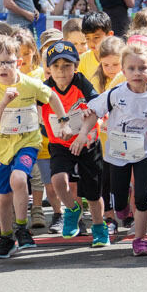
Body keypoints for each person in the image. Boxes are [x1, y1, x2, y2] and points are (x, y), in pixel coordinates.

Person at [75, 44, 147, 256]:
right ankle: (122, 210)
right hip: (117, 154)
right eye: (131, 68)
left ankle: (140, 239)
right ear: (123, 71)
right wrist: (82, 135)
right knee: (120, 196)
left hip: (144, 152)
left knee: (143, 196)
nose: (137, 73)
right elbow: (93, 112)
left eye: (142, 68)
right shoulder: (115, 94)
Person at [0, 35, 69, 258]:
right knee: (3, 196)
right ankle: (7, 236)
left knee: (19, 179)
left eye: (8, 62)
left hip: (28, 143)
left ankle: (22, 228)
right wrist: (4, 102)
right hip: (1, 148)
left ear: (18, 62)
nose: (2, 67)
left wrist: (63, 121)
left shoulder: (30, 84)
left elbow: (52, 97)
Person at [38, 40, 110, 246]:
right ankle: (71, 209)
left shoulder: (81, 82)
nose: (61, 71)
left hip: (87, 141)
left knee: (94, 193)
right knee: (58, 180)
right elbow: (30, 105)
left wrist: (82, 135)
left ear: (76, 67)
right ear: (48, 69)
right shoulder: (45, 88)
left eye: (67, 66)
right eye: (56, 66)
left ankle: (99, 226)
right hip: (60, 143)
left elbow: (96, 106)